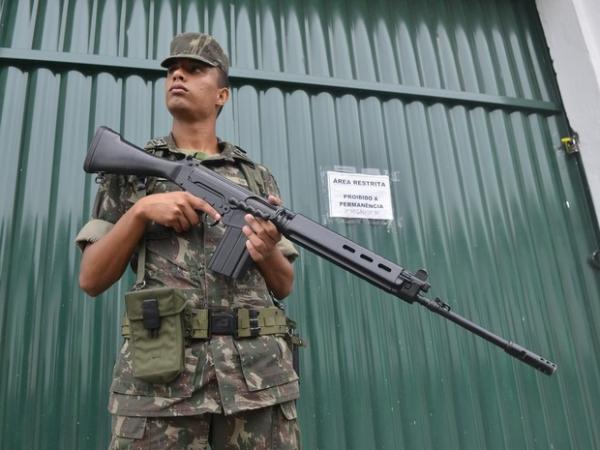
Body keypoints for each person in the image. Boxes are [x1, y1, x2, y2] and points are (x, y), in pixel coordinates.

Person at [76, 32, 301, 449]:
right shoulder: (131, 172)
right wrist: (141, 212)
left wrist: (266, 249)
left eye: (195, 70)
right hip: (161, 392)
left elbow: (283, 285)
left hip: (256, 387)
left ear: (222, 95)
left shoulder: (256, 177)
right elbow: (90, 279)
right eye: (172, 70)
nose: (178, 75)